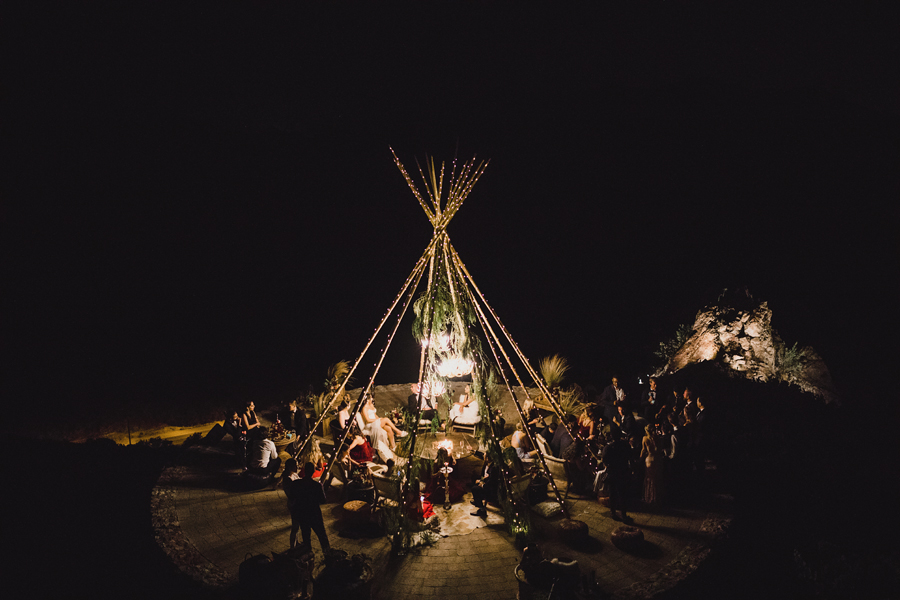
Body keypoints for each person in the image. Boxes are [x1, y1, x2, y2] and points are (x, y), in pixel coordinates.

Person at [285, 462, 330, 552]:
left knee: (306, 537)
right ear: (313, 471)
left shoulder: (296, 484)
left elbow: (291, 497)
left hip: (302, 514)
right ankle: (328, 555)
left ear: (304, 471)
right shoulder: (317, 485)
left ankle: (308, 556)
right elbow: (323, 500)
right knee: (322, 536)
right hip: (314, 514)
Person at [602, 429, 633, 523]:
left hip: (612, 472)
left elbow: (604, 459)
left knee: (612, 493)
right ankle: (623, 514)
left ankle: (613, 513)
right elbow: (630, 457)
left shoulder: (609, 447)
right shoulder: (625, 445)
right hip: (623, 471)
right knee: (622, 494)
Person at [640, 425, 666, 506]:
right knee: (656, 478)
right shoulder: (658, 438)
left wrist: (640, 457)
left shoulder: (645, 438)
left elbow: (644, 450)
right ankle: (657, 497)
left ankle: (649, 497)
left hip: (649, 460)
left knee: (649, 479)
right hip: (657, 459)